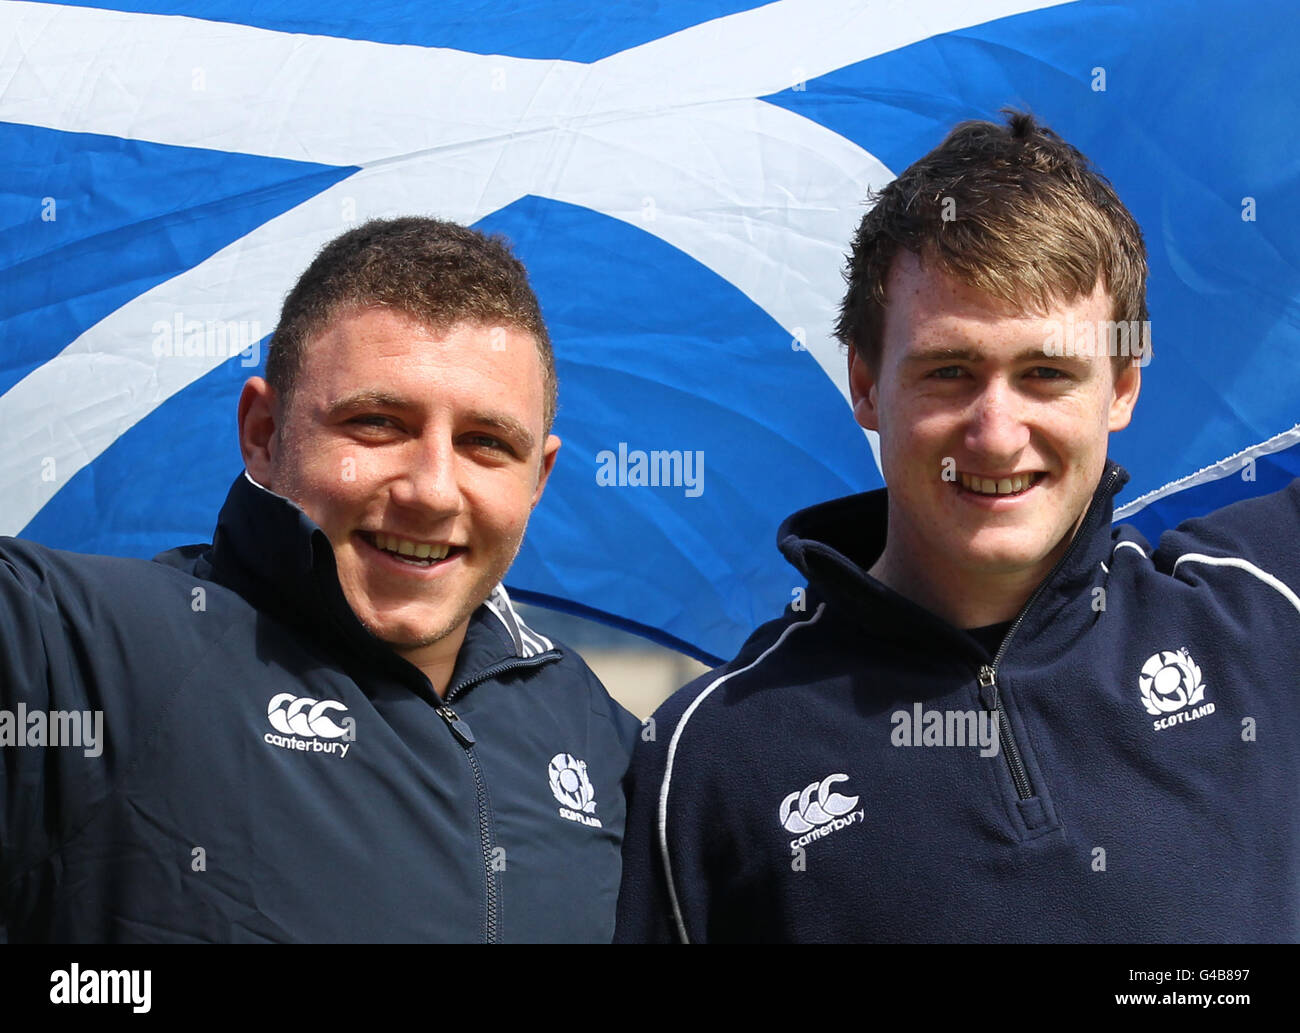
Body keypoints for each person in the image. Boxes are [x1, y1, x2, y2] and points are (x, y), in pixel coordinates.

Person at [614, 110, 1300, 943]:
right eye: (949, 371)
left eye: (1046, 373)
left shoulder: (1264, 610)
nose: (996, 431)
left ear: (1121, 387)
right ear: (866, 386)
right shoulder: (710, 758)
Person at [0, 216, 639, 943]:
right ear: (264, 434)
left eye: (485, 443)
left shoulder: (605, 738)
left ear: (538, 477)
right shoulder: (78, 650)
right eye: (377, 423)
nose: (432, 490)